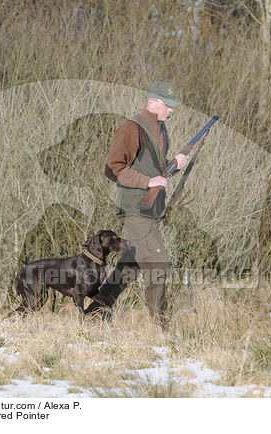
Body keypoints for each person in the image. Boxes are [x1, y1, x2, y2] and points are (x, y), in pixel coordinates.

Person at [85, 81, 187, 326]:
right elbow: (113, 168)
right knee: (158, 261)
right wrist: (147, 181)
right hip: (133, 207)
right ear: (152, 102)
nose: (171, 110)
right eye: (167, 105)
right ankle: (158, 329)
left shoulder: (160, 130)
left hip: (149, 209)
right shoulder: (132, 128)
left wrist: (174, 163)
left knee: (130, 264)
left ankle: (95, 313)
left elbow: (154, 169)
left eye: (173, 106)